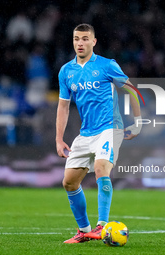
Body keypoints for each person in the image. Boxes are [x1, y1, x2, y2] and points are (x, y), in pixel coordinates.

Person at [56, 24, 141, 243]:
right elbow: (64, 106)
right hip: (86, 133)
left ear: (94, 42)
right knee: (69, 182)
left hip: (110, 128)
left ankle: (102, 226)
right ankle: (84, 231)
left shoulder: (107, 65)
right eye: (76, 39)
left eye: (85, 39)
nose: (80, 43)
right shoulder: (66, 71)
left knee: (101, 168)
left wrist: (138, 122)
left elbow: (130, 88)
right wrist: (59, 138)